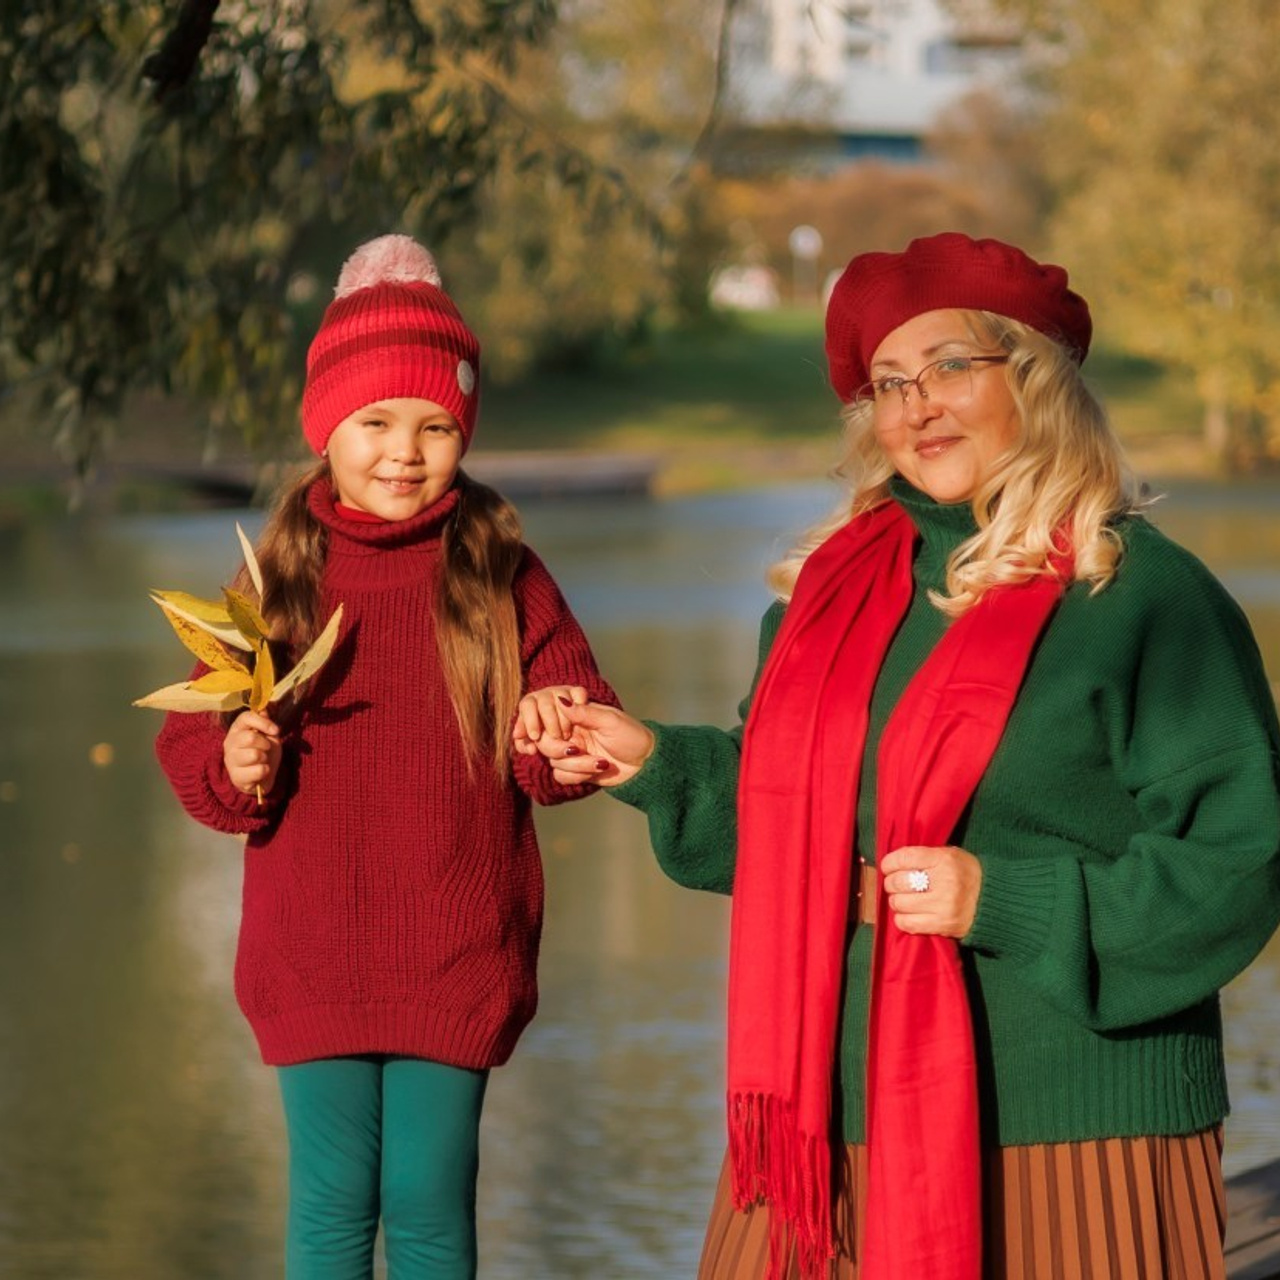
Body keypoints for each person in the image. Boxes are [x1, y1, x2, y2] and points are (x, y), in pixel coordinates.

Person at [514, 232, 1280, 1280]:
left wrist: (1000, 900)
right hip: (827, 1117)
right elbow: (789, 830)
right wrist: (653, 762)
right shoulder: (824, 595)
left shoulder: (1140, 594)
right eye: (887, 383)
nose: (916, 405)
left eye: (950, 367)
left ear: (1036, 378)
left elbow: (1238, 861)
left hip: (1075, 1118)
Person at [155, 234, 616, 1280]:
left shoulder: (503, 572)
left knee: (424, 1202)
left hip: (456, 941)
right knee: (328, 1203)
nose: (403, 451)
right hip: (309, 944)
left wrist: (554, 721)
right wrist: (237, 758)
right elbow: (189, 745)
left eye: (436, 425)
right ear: (327, 428)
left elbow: (571, 735)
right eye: (375, 422)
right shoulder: (271, 583)